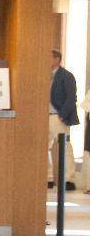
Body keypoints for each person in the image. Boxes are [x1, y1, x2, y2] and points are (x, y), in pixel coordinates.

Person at [50, 49, 80, 188]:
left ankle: (68, 179)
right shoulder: (43, 75)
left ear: (57, 59)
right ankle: (48, 177)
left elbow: (71, 97)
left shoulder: (66, 76)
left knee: (65, 147)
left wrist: (63, 114)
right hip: (44, 117)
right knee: (45, 147)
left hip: (58, 117)